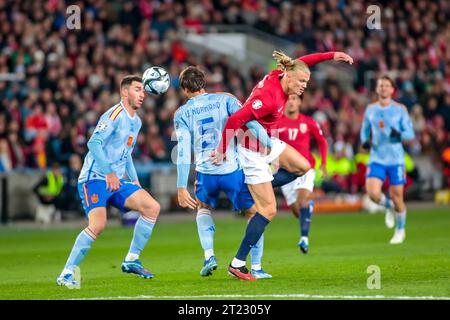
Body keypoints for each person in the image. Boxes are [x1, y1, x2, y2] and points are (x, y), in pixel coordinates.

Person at [211, 50, 353, 279]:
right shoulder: (268, 97)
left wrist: (333, 55)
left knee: (304, 166)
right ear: (288, 77)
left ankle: (256, 186)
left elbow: (303, 62)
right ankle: (237, 263)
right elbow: (236, 118)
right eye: (301, 82)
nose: (304, 86)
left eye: (306, 82)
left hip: (267, 141)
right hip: (251, 151)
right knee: (269, 210)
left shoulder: (283, 73)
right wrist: (221, 150)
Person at [56, 75, 161, 288]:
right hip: (94, 177)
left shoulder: (137, 121)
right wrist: (109, 172)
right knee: (98, 224)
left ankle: (132, 259)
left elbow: (127, 153)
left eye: (143, 91)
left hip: (116, 180)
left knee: (152, 207)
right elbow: (93, 142)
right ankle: (66, 273)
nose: (142, 94)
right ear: (124, 93)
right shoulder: (114, 115)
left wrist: (134, 180)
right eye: (137, 90)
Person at [174, 66, 273, 280]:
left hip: (205, 173)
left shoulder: (181, 113)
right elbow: (250, 121)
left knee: (203, 208)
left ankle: (209, 256)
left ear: (184, 89)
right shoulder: (225, 100)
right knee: (254, 214)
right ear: (204, 82)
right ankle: (255, 266)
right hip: (231, 171)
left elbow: (182, 151)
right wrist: (267, 143)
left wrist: (181, 186)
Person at [360, 75, 415, 244]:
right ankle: (388, 206)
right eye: (380, 85)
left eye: (386, 85)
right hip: (377, 158)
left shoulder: (400, 109)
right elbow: (364, 130)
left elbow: (410, 133)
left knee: (398, 197)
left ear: (392, 90)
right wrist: (364, 141)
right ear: (377, 89)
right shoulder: (370, 109)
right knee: (373, 194)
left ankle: (400, 230)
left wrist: (400, 134)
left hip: (396, 159)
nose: (383, 88)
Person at [277, 95, 328, 253]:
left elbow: (322, 141)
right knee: (297, 211)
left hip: (305, 168)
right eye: (288, 99)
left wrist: (324, 164)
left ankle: (304, 238)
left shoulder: (308, 122)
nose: (291, 102)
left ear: (300, 102)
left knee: (302, 200)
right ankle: (308, 205)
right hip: (285, 171)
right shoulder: (277, 122)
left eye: (294, 99)